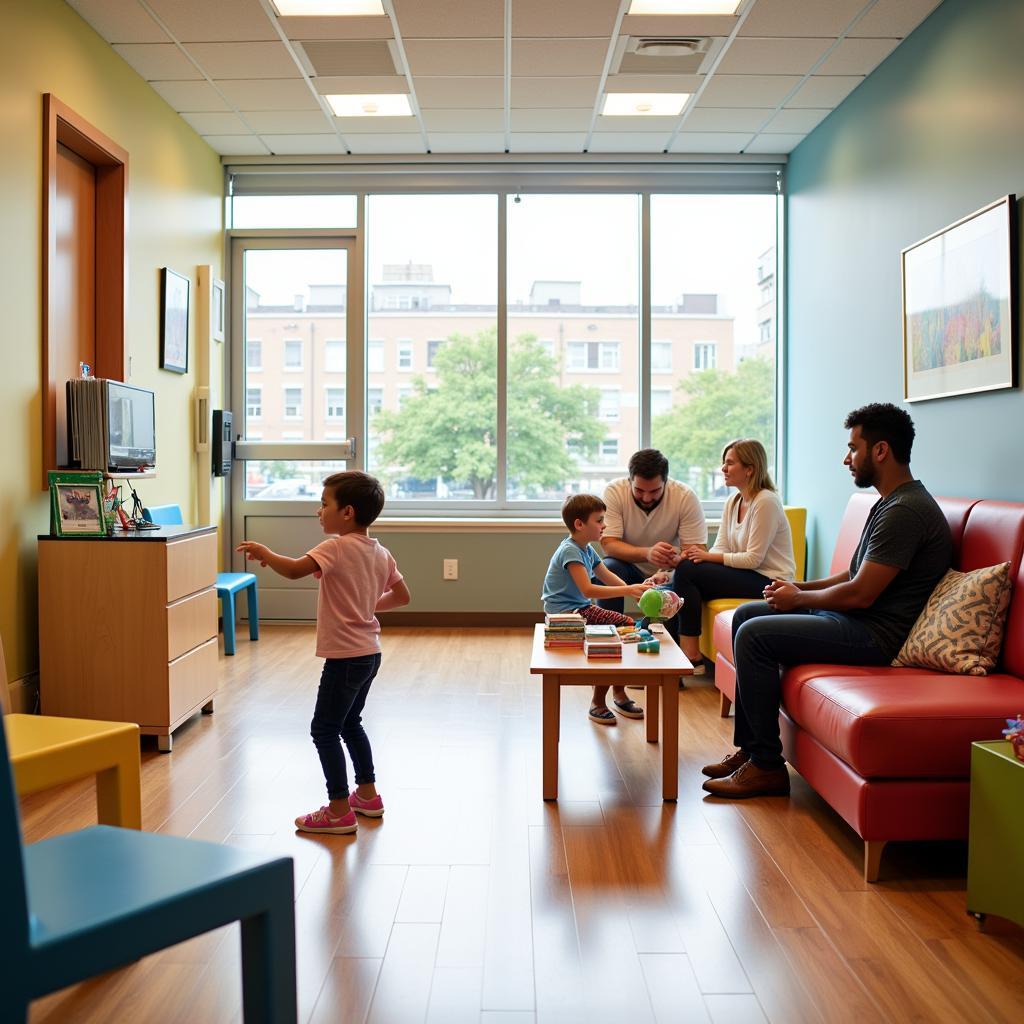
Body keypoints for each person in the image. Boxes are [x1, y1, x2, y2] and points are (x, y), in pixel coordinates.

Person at [702, 403, 952, 799]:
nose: (846, 458)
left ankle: (767, 766)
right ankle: (750, 749)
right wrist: (799, 588)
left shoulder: (906, 511)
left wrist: (800, 601)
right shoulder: (888, 502)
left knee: (755, 635)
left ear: (881, 451)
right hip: (854, 619)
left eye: (854, 448)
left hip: (875, 634)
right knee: (747, 613)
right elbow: (851, 575)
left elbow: (861, 593)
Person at [237, 470, 411, 834]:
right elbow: (402, 596)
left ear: (346, 512)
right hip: (369, 653)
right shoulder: (380, 551)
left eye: (323, 504)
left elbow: (294, 571)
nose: (318, 511)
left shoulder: (335, 547)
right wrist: (365, 607)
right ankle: (368, 795)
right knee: (351, 723)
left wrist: (266, 552)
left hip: (345, 656)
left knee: (324, 729)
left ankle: (338, 810)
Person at [672, 439, 795, 672]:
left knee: (687, 572)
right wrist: (695, 556)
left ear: (750, 469)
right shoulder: (734, 500)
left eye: (730, 463)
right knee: (679, 578)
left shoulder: (766, 501)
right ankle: (673, 660)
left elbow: (753, 559)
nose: (723, 469)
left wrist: (705, 558)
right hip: (746, 575)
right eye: (723, 463)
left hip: (769, 580)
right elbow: (721, 547)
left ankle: (691, 656)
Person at [542, 493, 652, 726]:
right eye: (599, 520)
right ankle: (599, 701)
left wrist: (635, 590)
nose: (604, 525)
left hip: (578, 608)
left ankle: (617, 693)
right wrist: (628, 590)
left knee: (623, 626)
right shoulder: (570, 550)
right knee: (622, 627)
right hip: (567, 613)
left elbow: (607, 576)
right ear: (579, 524)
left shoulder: (586, 549)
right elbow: (588, 590)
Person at [599, 448, 707, 642]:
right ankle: (608, 637)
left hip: (668, 574)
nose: (647, 498)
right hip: (628, 568)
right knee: (608, 567)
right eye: (639, 490)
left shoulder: (684, 496)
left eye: (655, 491)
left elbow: (697, 551)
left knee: (685, 576)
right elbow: (608, 545)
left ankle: (668, 655)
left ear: (666, 481)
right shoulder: (614, 491)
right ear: (629, 480)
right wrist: (648, 553)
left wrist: (674, 561)